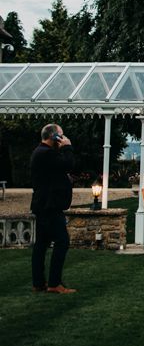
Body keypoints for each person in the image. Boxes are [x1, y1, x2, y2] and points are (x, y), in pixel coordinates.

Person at [30, 124, 75, 294]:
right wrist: (68, 147)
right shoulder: (46, 153)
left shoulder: (40, 152)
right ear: (54, 136)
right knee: (62, 241)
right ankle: (54, 283)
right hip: (50, 206)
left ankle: (38, 282)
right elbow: (68, 164)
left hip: (43, 205)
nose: (63, 138)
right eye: (61, 135)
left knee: (41, 244)